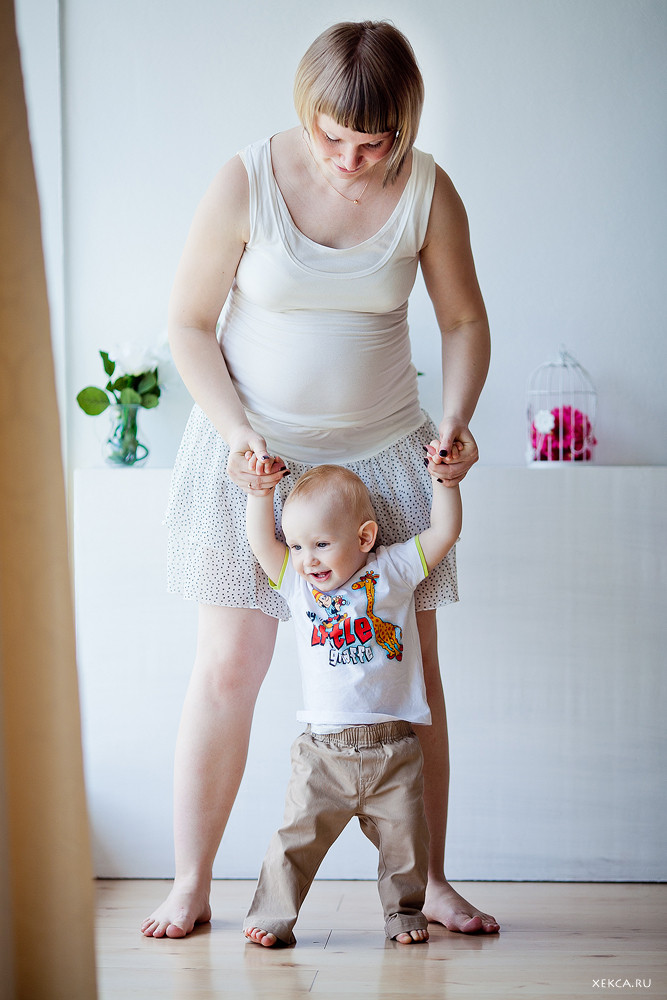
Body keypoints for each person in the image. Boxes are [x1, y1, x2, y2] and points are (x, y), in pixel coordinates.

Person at [141, 19, 498, 939]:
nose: (348, 160)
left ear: (404, 126)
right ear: (306, 111)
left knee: (410, 674)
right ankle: (190, 882)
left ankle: (431, 881)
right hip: (256, 463)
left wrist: (455, 419)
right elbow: (188, 323)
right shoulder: (246, 180)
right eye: (332, 137)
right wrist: (239, 436)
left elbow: (462, 321)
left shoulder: (426, 191)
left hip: (380, 463)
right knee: (228, 668)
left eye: (372, 144)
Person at [243, 463, 461, 947]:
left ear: (364, 537)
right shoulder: (298, 585)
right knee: (295, 840)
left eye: (321, 544)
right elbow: (261, 543)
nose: (308, 560)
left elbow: (445, 532)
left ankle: (404, 913)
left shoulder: (393, 570)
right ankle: (272, 917)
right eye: (297, 546)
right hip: (323, 754)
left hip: (393, 749)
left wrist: (445, 482)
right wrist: (261, 493)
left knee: (406, 842)